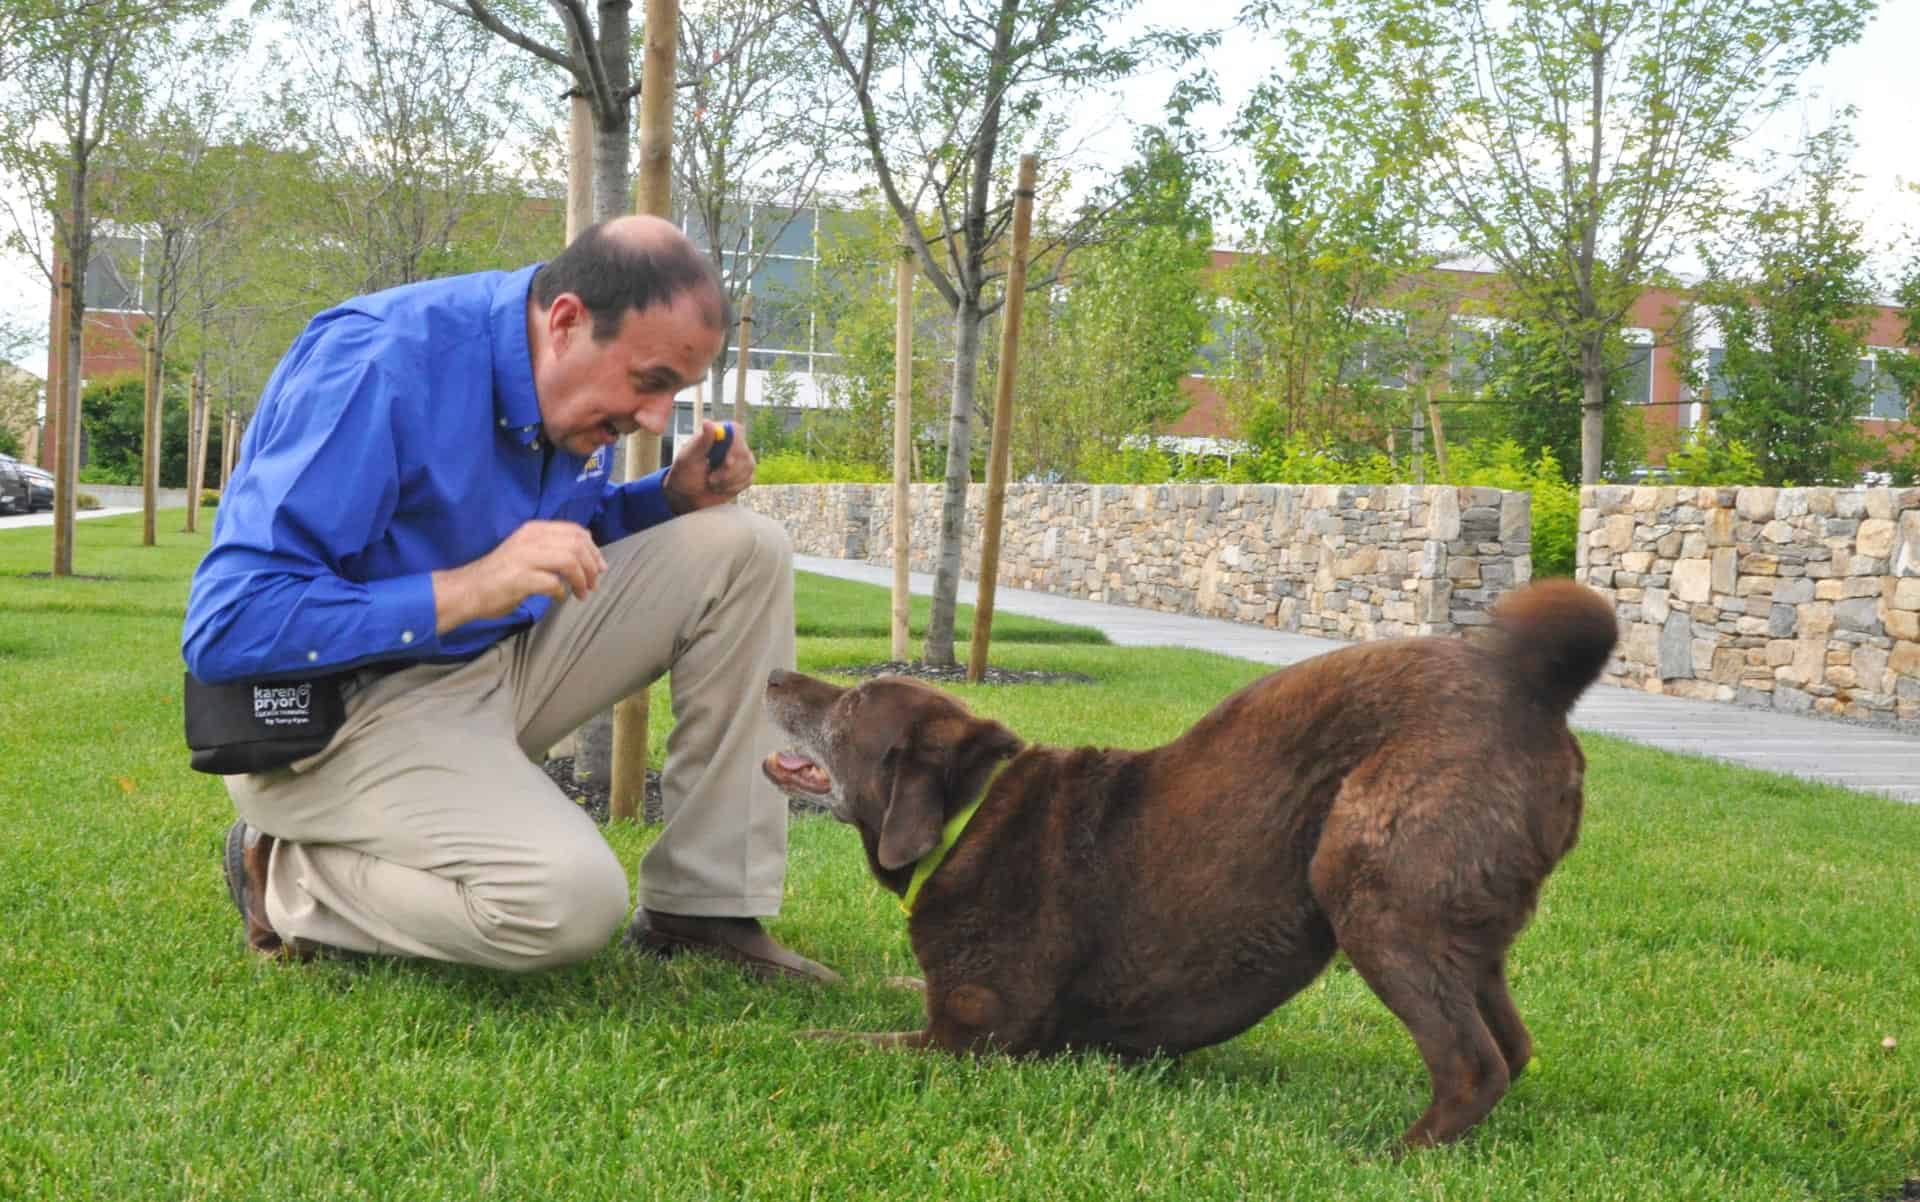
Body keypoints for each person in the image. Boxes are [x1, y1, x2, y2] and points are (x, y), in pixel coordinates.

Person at [182, 215, 836, 983]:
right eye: (651, 382)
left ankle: (703, 906)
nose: (657, 419)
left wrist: (666, 498)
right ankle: (284, 876)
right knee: (567, 904)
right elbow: (230, 623)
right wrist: (469, 588)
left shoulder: (559, 390)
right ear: (565, 323)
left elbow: (559, 537)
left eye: (677, 393)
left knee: (744, 546)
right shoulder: (378, 365)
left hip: (494, 661)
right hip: (340, 711)